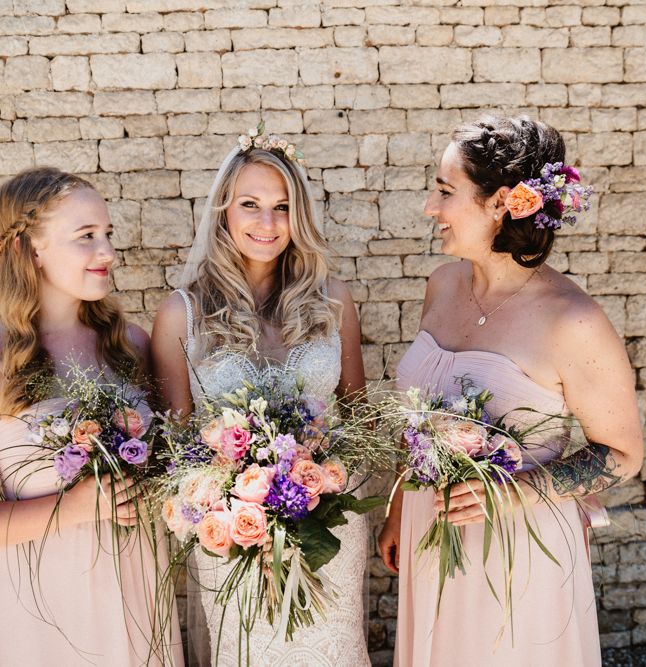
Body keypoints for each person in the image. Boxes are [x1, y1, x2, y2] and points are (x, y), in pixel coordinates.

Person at [378, 116, 644, 666]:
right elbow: (422, 416)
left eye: (445, 191)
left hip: (519, 548)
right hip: (433, 533)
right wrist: (402, 506)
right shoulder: (442, 284)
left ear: (501, 204)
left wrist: (511, 493)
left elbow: (621, 455)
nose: (431, 207)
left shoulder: (572, 321)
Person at [151, 126, 371, 666]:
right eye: (250, 204)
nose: (268, 223)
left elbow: (362, 419)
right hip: (231, 535)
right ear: (224, 209)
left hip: (330, 524)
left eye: (282, 207)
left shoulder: (333, 302)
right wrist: (233, 496)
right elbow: (176, 447)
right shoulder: (182, 313)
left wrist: (325, 483)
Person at [0, 167, 183, 665]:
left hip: (137, 588)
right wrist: (77, 507)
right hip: (43, 607)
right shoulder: (2, 359)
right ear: (28, 248)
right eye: (86, 237)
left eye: (107, 235)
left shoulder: (131, 346)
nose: (107, 253)